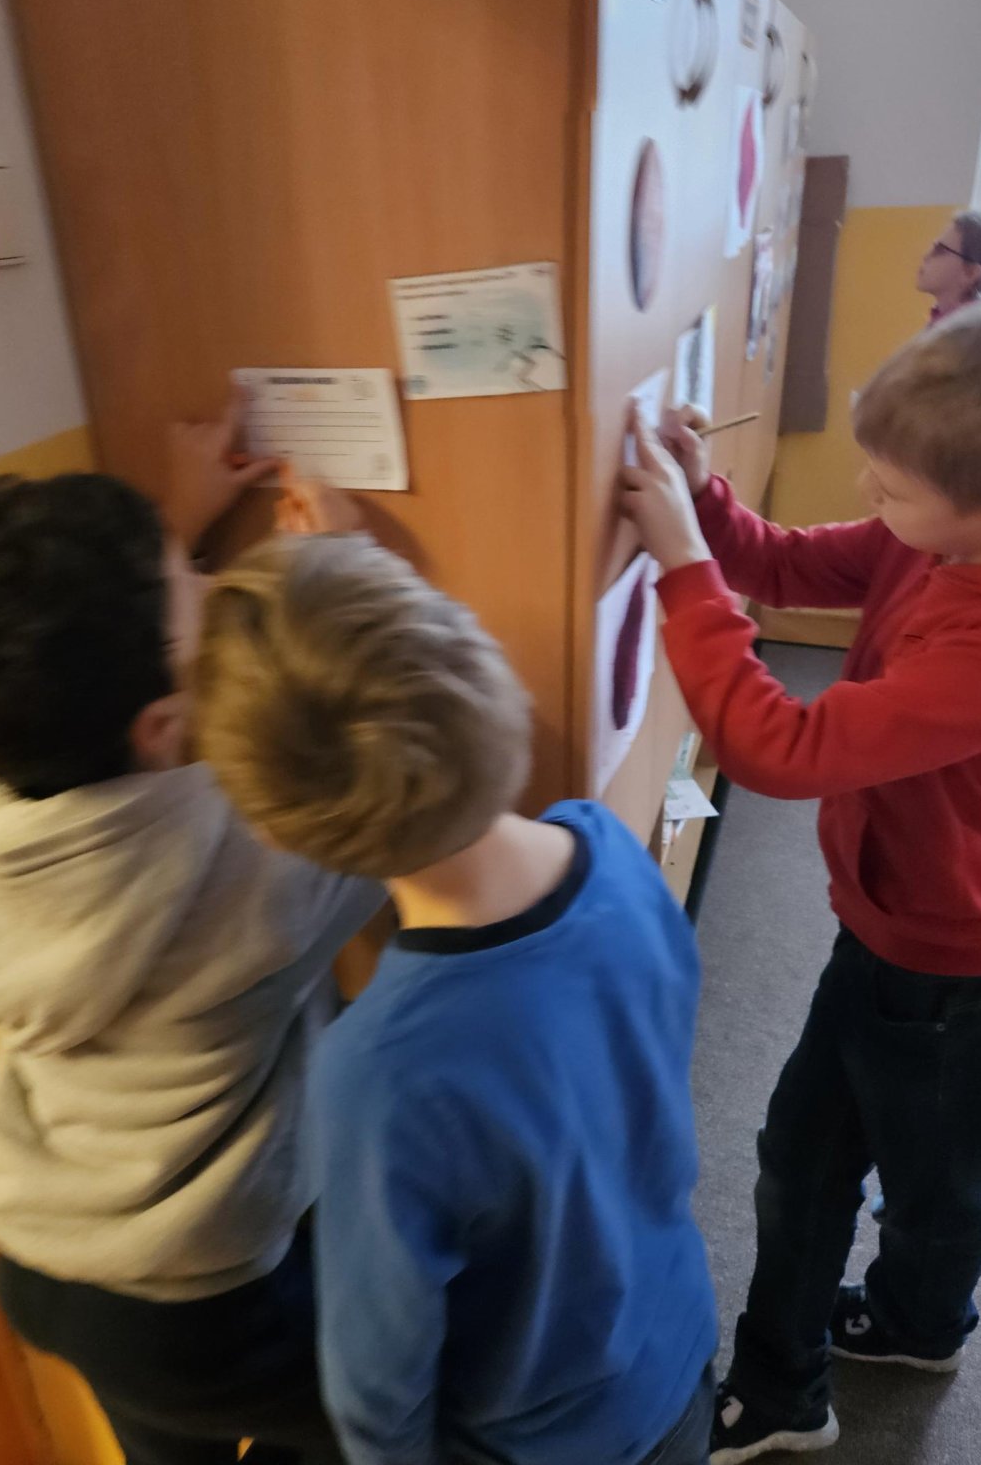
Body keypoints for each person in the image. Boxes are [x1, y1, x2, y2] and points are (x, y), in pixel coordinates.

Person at [620, 298, 981, 1463]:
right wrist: (703, 500)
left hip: (953, 970)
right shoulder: (942, 533)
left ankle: (833, 1364)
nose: (870, 496)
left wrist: (681, 569)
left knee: (918, 1182)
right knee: (828, 1159)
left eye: (891, 487)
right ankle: (900, 1330)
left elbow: (779, 747)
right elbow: (783, 561)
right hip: (905, 934)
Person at [0, 409, 385, 1465]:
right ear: (160, 726)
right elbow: (381, 797)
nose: (211, 583)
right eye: (190, 585)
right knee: (376, 1413)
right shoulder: (256, 877)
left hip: (44, 1250)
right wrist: (337, 573)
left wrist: (169, 532)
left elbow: (60, 653)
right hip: (203, 1296)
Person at [195, 534, 719, 1465]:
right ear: (490, 680)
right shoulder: (609, 848)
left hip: (537, 1443)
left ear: (278, 830)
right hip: (674, 1356)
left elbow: (375, 1376)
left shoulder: (378, 1072)